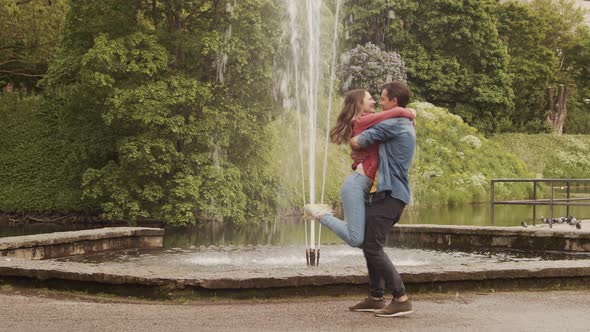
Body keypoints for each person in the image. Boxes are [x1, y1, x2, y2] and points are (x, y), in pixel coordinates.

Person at [305, 89, 414, 247]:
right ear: (359, 104)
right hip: (356, 185)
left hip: (364, 185)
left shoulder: (368, 121)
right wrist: (410, 113)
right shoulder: (363, 120)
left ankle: (321, 214)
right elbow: (395, 112)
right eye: (369, 99)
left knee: (366, 239)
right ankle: (320, 214)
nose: (374, 102)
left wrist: (355, 160)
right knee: (356, 239)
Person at [347, 81, 416, 318]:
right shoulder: (399, 120)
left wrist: (354, 140)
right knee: (369, 244)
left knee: (373, 246)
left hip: (391, 196)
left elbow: (358, 141)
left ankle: (401, 297)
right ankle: (376, 296)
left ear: (393, 102)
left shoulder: (395, 123)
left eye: (383, 99)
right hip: (386, 195)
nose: (379, 104)